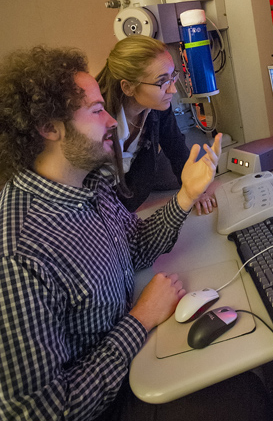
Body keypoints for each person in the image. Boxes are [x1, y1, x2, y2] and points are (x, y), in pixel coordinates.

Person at [0, 45, 233, 420]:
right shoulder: (19, 255)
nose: (112, 121)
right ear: (49, 128)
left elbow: (135, 247)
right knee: (243, 396)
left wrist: (187, 195)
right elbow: (42, 411)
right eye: (96, 111)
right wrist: (140, 319)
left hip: (137, 355)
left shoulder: (90, 185)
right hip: (107, 404)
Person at [96, 35, 217, 215]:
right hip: (100, 214)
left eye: (172, 77)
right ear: (127, 87)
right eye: (162, 81)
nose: (173, 90)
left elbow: (176, 148)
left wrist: (195, 190)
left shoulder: (157, 107)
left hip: (133, 201)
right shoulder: (96, 121)